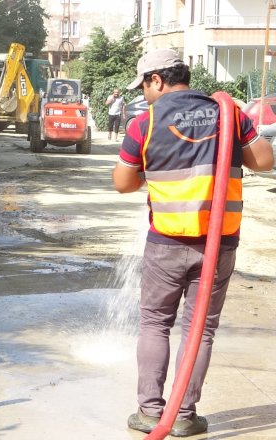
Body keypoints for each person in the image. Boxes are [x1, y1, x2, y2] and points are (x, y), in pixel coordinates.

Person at [112, 48, 273, 437]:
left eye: (145, 86)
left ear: (156, 80)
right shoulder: (227, 112)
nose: (145, 94)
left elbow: (122, 183)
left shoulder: (144, 123)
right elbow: (264, 161)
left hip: (166, 241)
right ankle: (184, 416)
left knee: (154, 323)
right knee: (201, 328)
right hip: (219, 244)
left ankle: (150, 412)